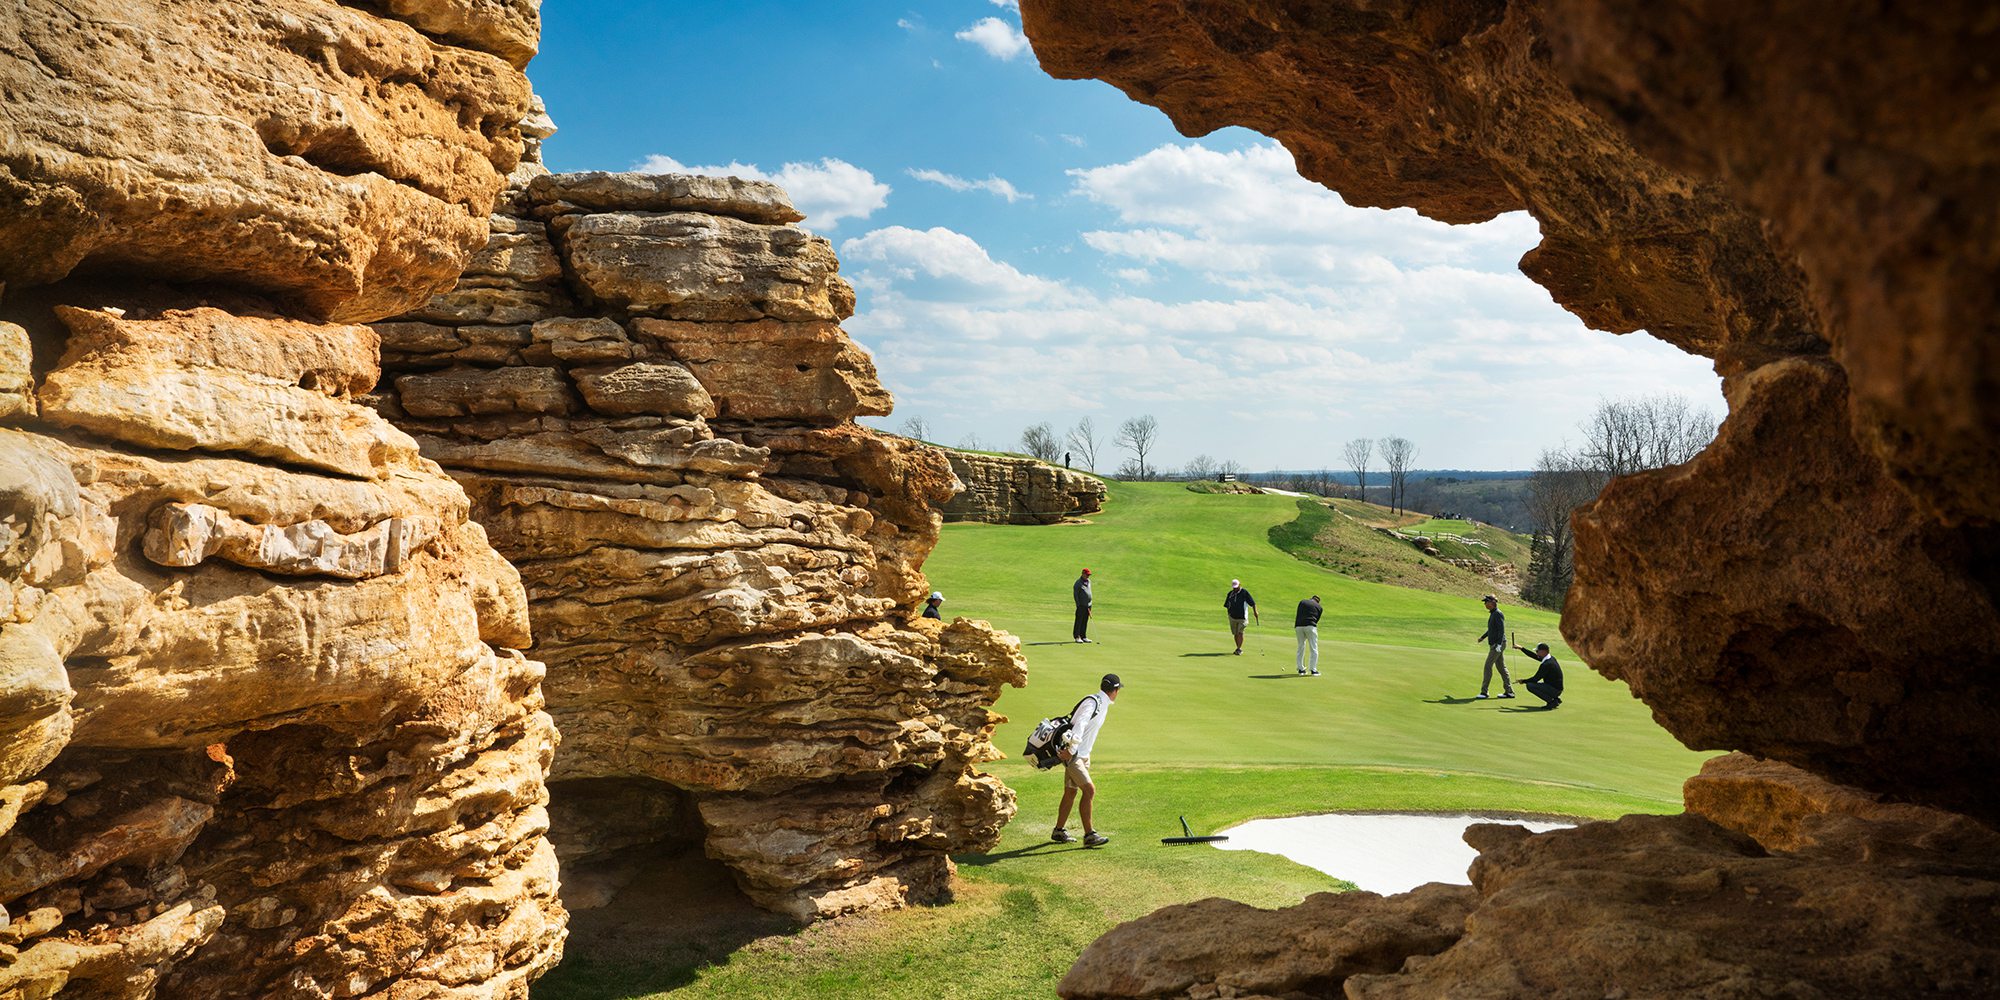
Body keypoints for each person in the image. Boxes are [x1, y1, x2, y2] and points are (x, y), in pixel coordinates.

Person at [1052, 673, 1121, 847]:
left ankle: (1058, 831)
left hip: (1082, 755)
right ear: (1115, 690)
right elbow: (1080, 725)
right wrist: (1071, 751)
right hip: (1074, 755)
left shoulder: (1100, 702)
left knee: (1071, 792)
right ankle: (1089, 835)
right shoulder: (1094, 703)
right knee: (1089, 790)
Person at [1475, 594, 1514, 699]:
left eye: (1486, 602)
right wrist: (1482, 637)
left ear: (1492, 603)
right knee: (1501, 667)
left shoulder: (1497, 614)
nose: (1485, 604)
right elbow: (1491, 630)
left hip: (1498, 644)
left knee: (1488, 666)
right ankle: (1509, 692)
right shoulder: (1493, 614)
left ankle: (1484, 692)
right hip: (1496, 644)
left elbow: (1501, 630)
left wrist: (1499, 645)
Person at [1514, 640, 1565, 709]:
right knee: (1533, 684)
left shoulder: (1546, 664)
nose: (1536, 653)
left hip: (1554, 690)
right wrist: (1521, 648)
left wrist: (1523, 681)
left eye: (1537, 651)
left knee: (1530, 685)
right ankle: (1556, 699)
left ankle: (1551, 701)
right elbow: (1534, 656)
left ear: (1543, 652)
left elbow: (1535, 679)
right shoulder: (1550, 658)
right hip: (1556, 688)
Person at [1224, 578, 1259, 654]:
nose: (1235, 588)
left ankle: (1239, 648)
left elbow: (1252, 603)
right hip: (1232, 617)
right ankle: (1238, 648)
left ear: (1240, 585)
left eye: (1237, 587)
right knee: (1235, 634)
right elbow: (1227, 605)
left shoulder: (1244, 593)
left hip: (1243, 618)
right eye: (1234, 587)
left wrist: (1255, 612)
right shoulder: (1230, 594)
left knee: (1240, 632)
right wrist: (1229, 614)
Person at [1294, 594, 1322, 676]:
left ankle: (1301, 669)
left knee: (1301, 646)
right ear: (1318, 602)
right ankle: (1313, 670)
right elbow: (1316, 620)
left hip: (1298, 626)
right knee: (1313, 648)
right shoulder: (1319, 607)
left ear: (1311, 598)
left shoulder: (1302, 602)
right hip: (1310, 626)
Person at [1072, 568, 1094, 643]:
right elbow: (1076, 595)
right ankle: (1077, 636)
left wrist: (1090, 603)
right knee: (1079, 621)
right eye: (1087, 575)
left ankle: (1083, 636)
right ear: (1083, 574)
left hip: (1088, 605)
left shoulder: (1089, 582)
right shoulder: (1078, 583)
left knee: (1085, 621)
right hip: (1081, 605)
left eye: (1089, 575)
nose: (1088, 576)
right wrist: (1078, 604)